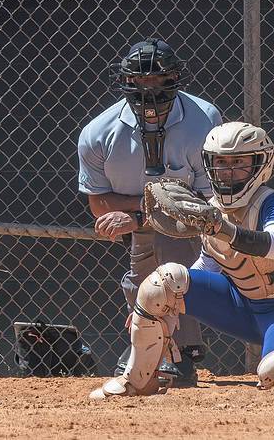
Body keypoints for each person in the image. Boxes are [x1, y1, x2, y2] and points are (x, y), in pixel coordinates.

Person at [90, 122, 274, 399]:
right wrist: (162, 305)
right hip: (241, 305)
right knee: (164, 281)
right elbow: (205, 267)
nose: (227, 171)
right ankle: (137, 382)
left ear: (260, 164)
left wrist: (224, 229)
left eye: (238, 162)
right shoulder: (213, 210)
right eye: (220, 162)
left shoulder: (271, 201)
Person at [77, 38, 222, 384]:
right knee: (150, 237)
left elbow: (204, 204)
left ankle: (168, 347)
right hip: (146, 226)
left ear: (173, 79)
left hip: (199, 228)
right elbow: (99, 204)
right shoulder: (98, 133)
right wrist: (154, 204)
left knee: (163, 241)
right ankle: (159, 344)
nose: (148, 88)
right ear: (125, 81)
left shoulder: (204, 119)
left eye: (156, 79)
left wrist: (140, 214)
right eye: (139, 80)